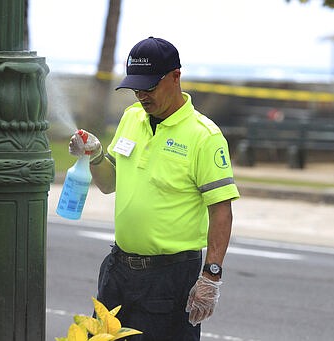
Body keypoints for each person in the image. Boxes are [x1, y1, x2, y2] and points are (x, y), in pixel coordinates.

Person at [68, 37, 240, 341]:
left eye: (149, 87)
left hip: (170, 278)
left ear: (175, 77)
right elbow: (109, 184)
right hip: (118, 270)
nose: (141, 96)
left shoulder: (204, 136)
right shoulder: (131, 118)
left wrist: (211, 276)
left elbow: (221, 210)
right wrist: (95, 156)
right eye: (136, 89)